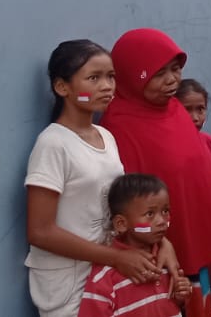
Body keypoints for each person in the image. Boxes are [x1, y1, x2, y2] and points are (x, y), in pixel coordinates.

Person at [26, 40, 175, 317]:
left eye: (111, 77)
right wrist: (116, 257)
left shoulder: (105, 136)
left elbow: (124, 206)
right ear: (62, 87)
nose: (107, 86)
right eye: (94, 78)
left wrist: (162, 244)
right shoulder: (53, 144)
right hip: (70, 283)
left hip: (108, 277)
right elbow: (40, 231)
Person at [102, 29, 211, 281]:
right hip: (156, 250)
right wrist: (161, 241)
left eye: (175, 69)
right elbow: (129, 195)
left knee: (198, 295)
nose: (171, 80)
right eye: (158, 74)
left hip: (196, 238)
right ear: (133, 76)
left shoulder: (175, 110)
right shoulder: (119, 125)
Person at [77, 174, 191, 317]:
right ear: (121, 224)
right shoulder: (104, 276)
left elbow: (170, 305)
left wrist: (180, 296)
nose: (162, 221)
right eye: (150, 214)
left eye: (165, 211)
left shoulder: (166, 260)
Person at [176, 79, 211, 194]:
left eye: (200, 109)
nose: (195, 118)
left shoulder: (208, 142)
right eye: (187, 109)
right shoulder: (168, 145)